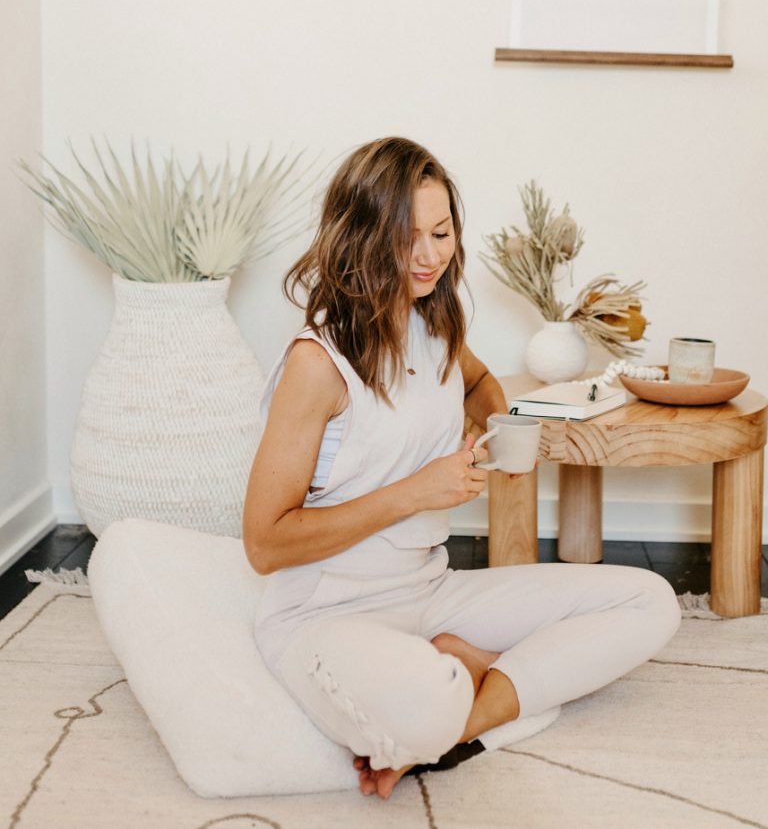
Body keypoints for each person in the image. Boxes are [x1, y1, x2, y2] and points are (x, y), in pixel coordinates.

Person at [243, 137, 680, 800]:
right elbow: (264, 542)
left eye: (441, 232)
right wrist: (415, 491)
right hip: (324, 613)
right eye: (406, 236)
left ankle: (463, 712)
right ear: (360, 235)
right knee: (429, 689)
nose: (428, 255)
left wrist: (494, 424)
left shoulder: (436, 322)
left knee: (650, 601)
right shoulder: (318, 363)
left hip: (430, 590)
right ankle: (475, 681)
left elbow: (477, 382)